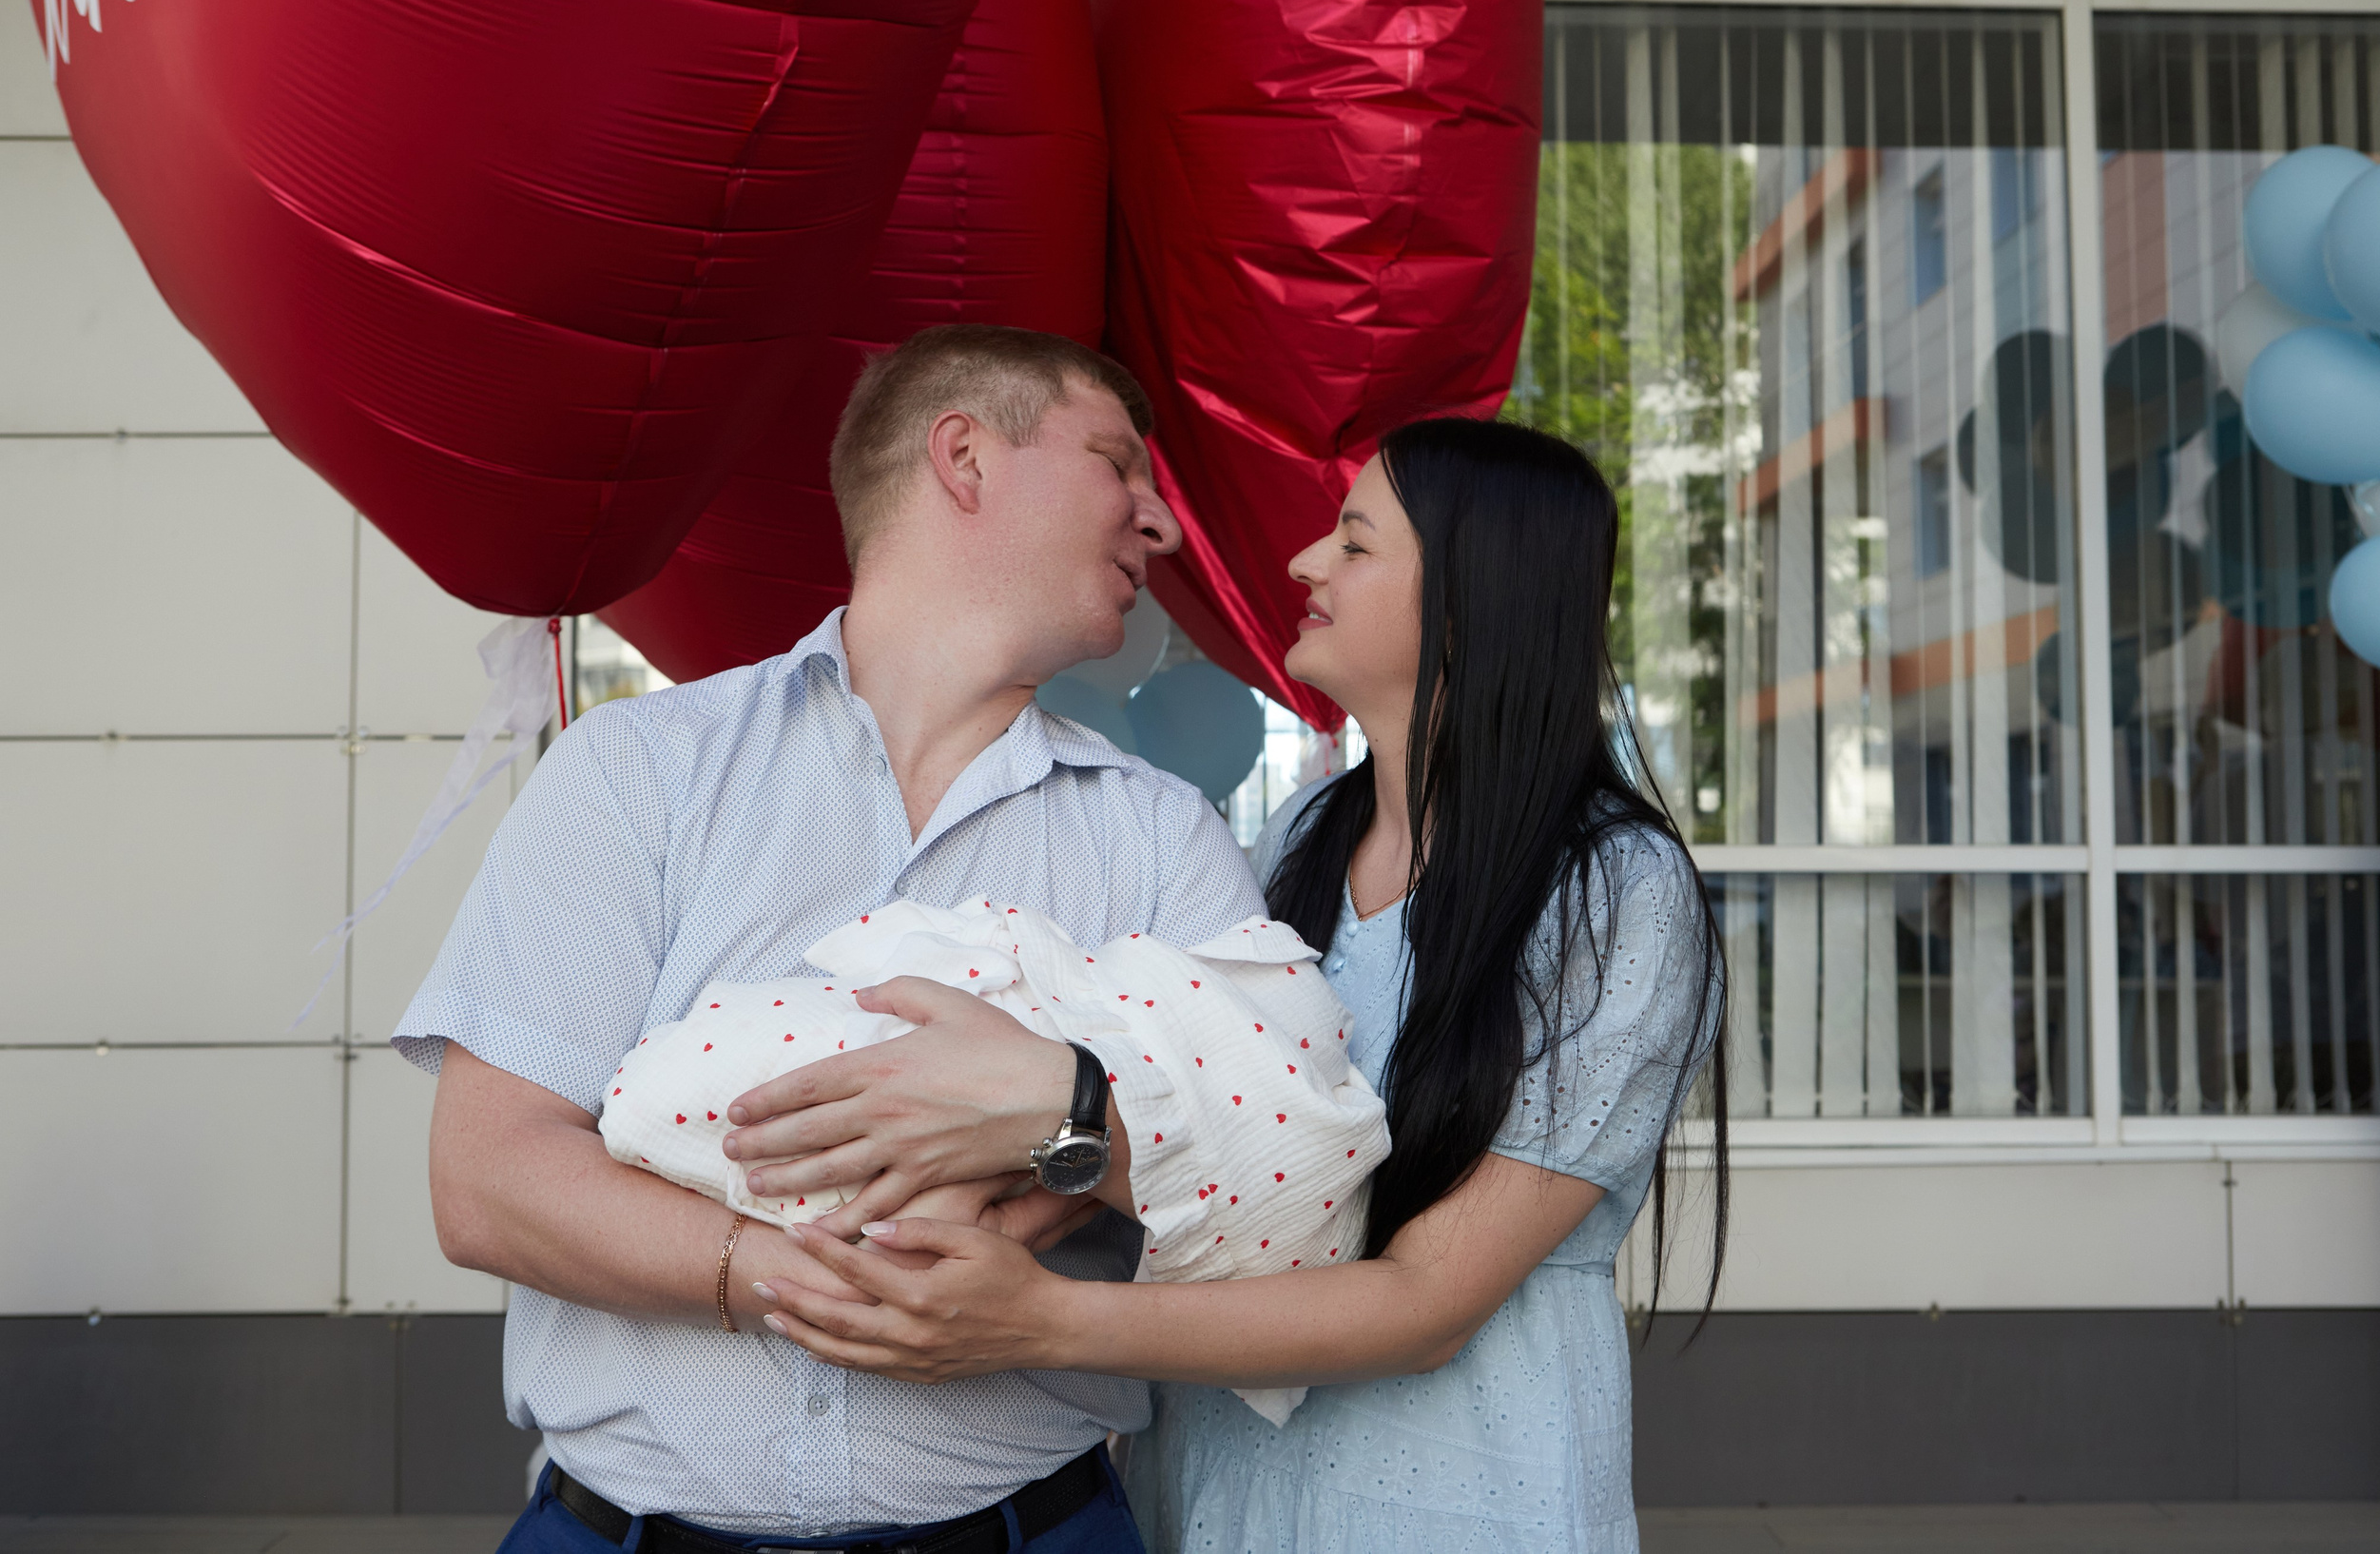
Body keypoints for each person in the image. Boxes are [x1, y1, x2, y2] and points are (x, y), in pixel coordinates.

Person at [758, 416, 1732, 1553]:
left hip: (1460, 1506)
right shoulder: (1304, 836)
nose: (1306, 563)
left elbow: (1427, 1303)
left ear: (1476, 597)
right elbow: (1184, 1142)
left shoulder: (1615, 892)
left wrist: (1040, 1320)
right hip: (1213, 1493)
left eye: (1355, 543)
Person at [402, 324, 1279, 1552]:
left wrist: (1056, 1133)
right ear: (964, 457)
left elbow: (1266, 1168)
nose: (1161, 521)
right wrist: (821, 1280)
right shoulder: (637, 771)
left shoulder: (1163, 837)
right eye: (1115, 462)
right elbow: (487, 1182)